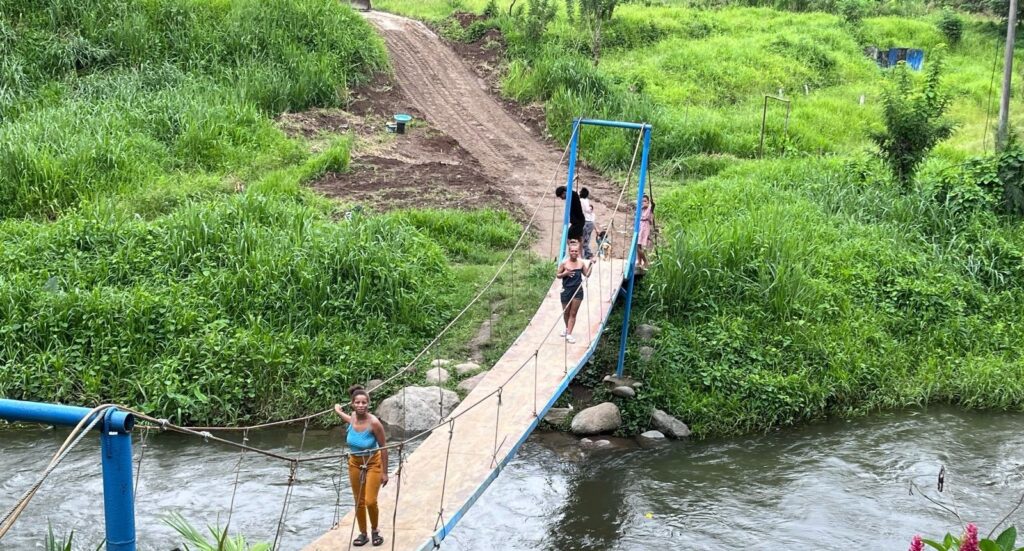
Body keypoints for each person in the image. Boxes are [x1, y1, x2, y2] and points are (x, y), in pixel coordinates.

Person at [334, 385, 389, 547]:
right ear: (352, 404)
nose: (361, 405)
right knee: (358, 501)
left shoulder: (374, 423)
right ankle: (363, 533)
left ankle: (375, 531)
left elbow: (384, 448)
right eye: (357, 402)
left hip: (373, 463)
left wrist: (384, 473)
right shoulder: (352, 417)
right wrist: (337, 411)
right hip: (354, 464)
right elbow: (349, 420)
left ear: (368, 404)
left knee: (370, 501)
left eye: (364, 402)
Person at [557, 240, 594, 343]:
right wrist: (565, 274)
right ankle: (567, 329)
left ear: (579, 252)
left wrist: (591, 265)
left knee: (573, 313)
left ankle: (569, 334)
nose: (574, 253)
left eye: (576, 251)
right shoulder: (564, 263)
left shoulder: (581, 263)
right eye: (572, 251)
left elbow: (587, 275)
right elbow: (558, 275)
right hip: (566, 290)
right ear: (569, 251)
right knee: (566, 313)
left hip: (578, 290)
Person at [637, 194, 655, 270]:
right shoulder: (641, 209)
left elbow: (653, 205)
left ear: (648, 203)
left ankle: (645, 261)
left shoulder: (649, 209)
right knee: (638, 245)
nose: (643, 203)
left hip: (645, 228)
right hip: (640, 227)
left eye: (645, 201)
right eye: (642, 201)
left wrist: (652, 203)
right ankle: (639, 261)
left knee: (638, 246)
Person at [579, 187, 597, 260]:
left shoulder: (580, 200)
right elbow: (587, 210)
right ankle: (588, 254)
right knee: (586, 239)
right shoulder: (585, 200)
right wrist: (590, 209)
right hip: (587, 222)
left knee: (583, 239)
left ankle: (585, 254)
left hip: (584, 221)